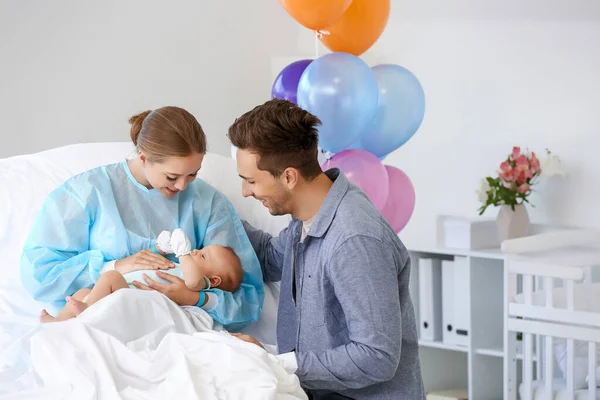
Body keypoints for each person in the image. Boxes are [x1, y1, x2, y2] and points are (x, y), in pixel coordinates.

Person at [227, 99, 425, 399]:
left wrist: (280, 363)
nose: (246, 191)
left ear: (289, 176)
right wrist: (216, 214)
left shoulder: (354, 240)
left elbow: (377, 356)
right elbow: (269, 260)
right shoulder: (306, 218)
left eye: (252, 181)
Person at [20, 106, 263, 331]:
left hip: (169, 329)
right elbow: (41, 275)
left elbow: (246, 298)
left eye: (192, 174)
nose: (182, 185)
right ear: (143, 158)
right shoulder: (87, 193)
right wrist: (113, 267)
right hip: (97, 323)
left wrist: (197, 297)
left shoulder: (209, 203)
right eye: (171, 176)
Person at [40, 229, 244, 323]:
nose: (196, 251)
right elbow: (150, 265)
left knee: (111, 277)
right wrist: (159, 250)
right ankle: (59, 323)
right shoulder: (179, 263)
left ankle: (86, 311)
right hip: (124, 291)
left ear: (214, 280)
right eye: (201, 249)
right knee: (83, 291)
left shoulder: (200, 281)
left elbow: (193, 282)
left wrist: (184, 254)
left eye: (204, 255)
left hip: (133, 301)